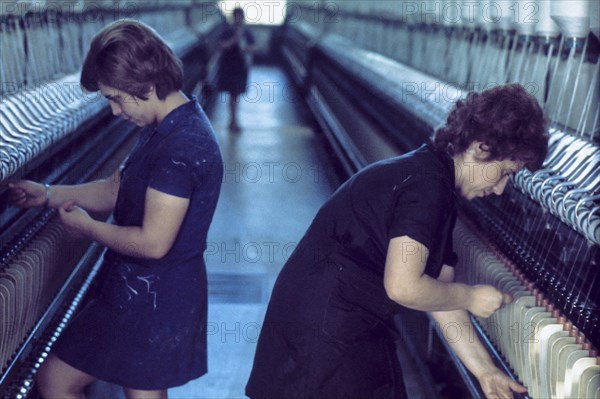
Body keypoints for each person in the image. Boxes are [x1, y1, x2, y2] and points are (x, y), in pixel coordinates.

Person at [245, 83, 549, 399]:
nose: (500, 189)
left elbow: (442, 299)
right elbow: (404, 287)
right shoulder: (427, 188)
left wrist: (485, 370)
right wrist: (471, 297)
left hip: (334, 325)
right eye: (504, 173)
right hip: (325, 334)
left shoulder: (436, 183)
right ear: (481, 147)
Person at [8, 19, 223, 399]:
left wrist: (87, 229)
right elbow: (115, 190)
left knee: (88, 385)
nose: (114, 112)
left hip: (156, 299)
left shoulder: (181, 147)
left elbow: (154, 243)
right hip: (133, 291)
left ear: (147, 86)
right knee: (56, 380)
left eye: (116, 97)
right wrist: (46, 193)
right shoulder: (164, 127)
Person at [216, 7, 255, 132]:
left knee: (236, 94)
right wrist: (235, 39)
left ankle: (233, 120)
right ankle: (233, 121)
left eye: (240, 16)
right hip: (229, 66)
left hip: (241, 66)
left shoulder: (246, 32)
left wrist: (248, 48)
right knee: (233, 94)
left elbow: (253, 46)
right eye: (236, 16)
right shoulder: (227, 31)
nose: (238, 19)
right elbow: (221, 46)